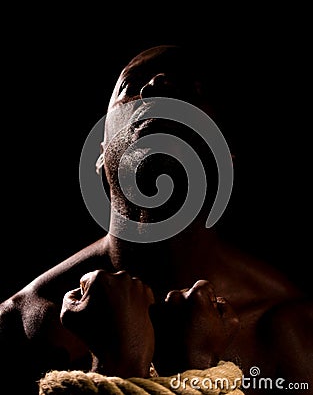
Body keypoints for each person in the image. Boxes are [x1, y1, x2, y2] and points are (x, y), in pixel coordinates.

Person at [0, 45, 312, 395]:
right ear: (100, 161)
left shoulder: (291, 329)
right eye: (132, 85)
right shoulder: (25, 321)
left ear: (228, 157)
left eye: (192, 89)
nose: (157, 83)